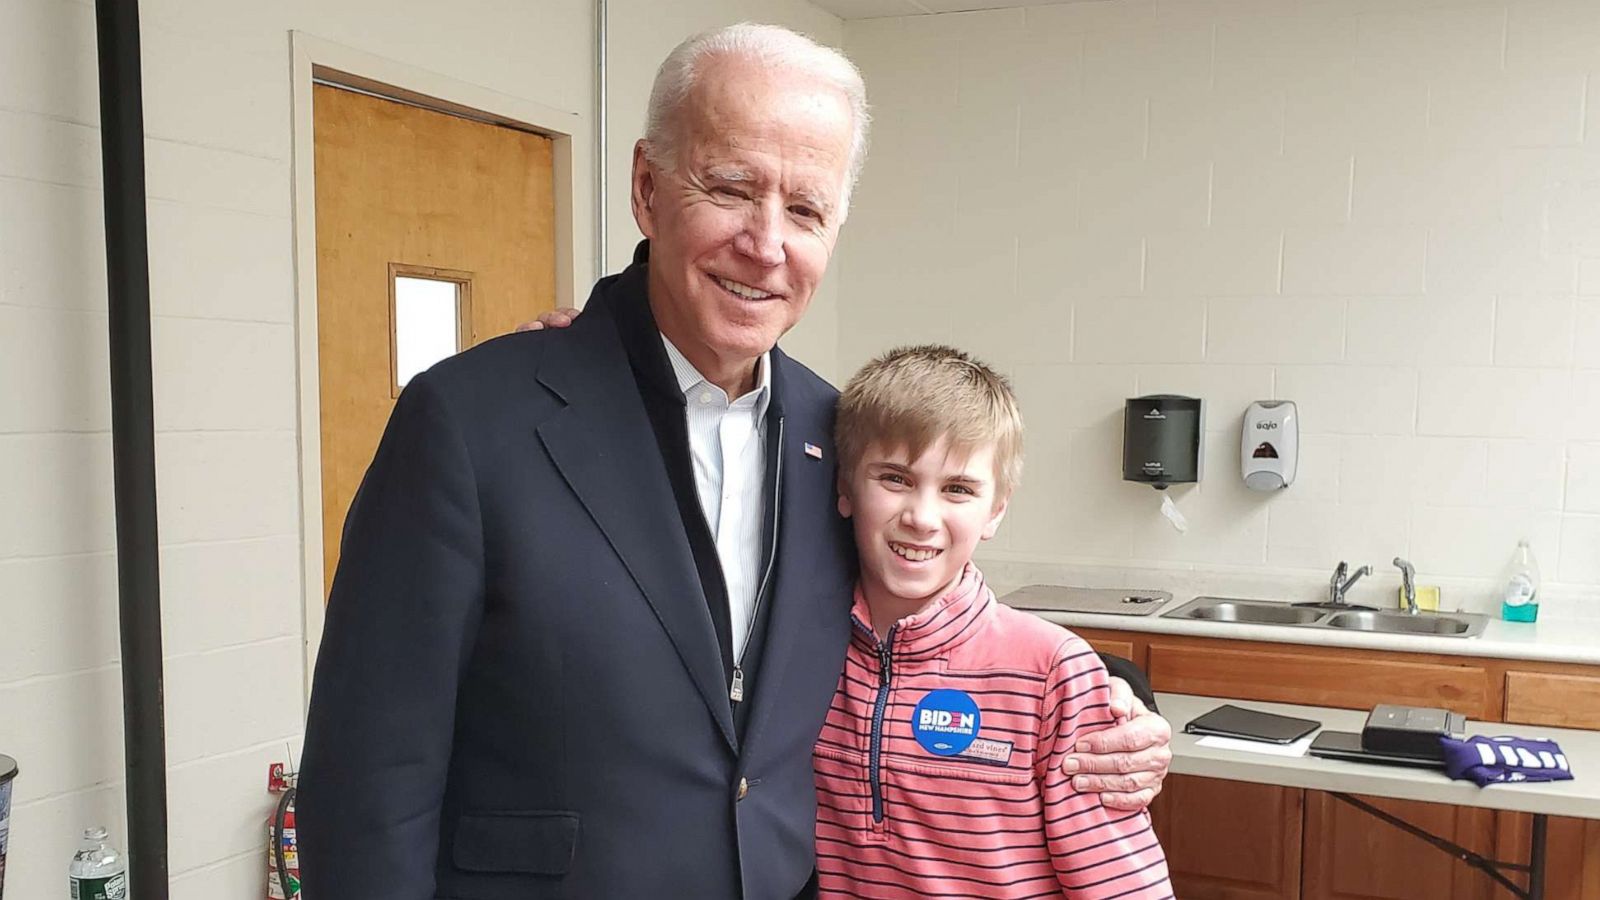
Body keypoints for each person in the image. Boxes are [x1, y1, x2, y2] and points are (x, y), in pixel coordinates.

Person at [298, 23, 1170, 900]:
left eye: (805, 211)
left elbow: (920, 616)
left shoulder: (839, 436)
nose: (766, 244)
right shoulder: (471, 420)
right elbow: (369, 777)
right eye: (730, 188)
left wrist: (1116, 699)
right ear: (646, 188)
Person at [813, 344, 1172, 898]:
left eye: (958, 489)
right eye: (894, 479)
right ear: (844, 487)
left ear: (996, 509)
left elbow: (1124, 888)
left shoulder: (1054, 673)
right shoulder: (797, 652)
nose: (922, 517)